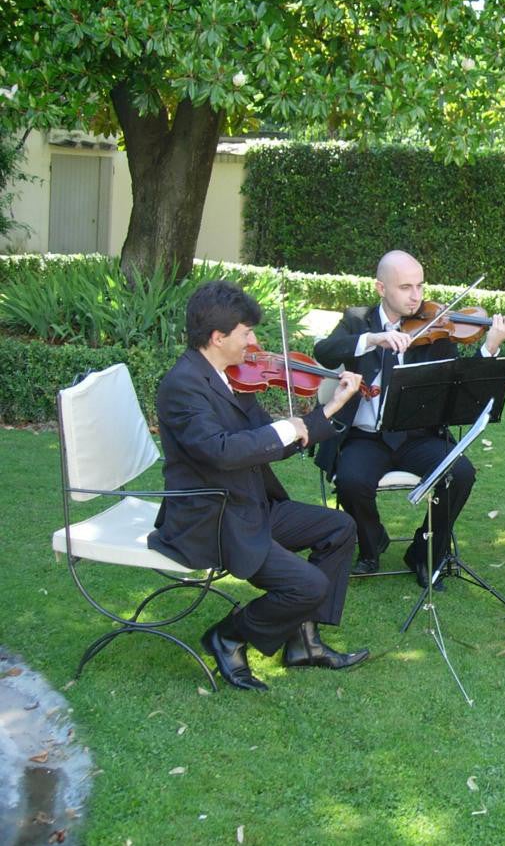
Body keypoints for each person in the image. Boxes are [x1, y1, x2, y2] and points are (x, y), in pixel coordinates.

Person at [148, 280, 369, 692]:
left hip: (248, 503)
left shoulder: (229, 375)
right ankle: (228, 636)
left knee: (340, 529)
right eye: (247, 332)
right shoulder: (183, 386)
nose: (255, 341)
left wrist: (330, 408)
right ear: (218, 337)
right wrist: (285, 429)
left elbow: (267, 442)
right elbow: (222, 452)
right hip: (213, 519)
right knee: (309, 585)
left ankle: (304, 643)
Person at [313, 250, 505, 584]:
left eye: (420, 286)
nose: (417, 296)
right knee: (351, 482)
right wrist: (373, 339)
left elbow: (463, 386)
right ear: (381, 288)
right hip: (367, 437)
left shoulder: (437, 327)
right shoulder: (357, 320)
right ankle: (371, 543)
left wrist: (491, 347)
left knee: (461, 474)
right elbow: (324, 351)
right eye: (406, 287)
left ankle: (425, 552)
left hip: (418, 437)